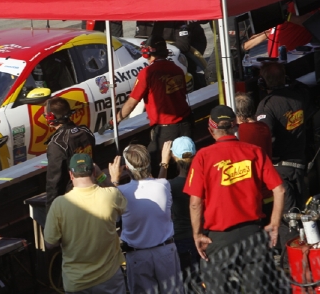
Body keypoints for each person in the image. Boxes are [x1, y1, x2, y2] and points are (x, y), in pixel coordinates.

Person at [183, 105, 286, 294]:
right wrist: (274, 223)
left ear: (211, 130)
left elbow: (195, 203)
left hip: (219, 238)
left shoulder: (203, 157)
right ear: (235, 126)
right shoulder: (254, 151)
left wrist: (197, 234)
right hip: (252, 234)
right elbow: (279, 190)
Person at [101, 35, 193, 176]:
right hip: (186, 125)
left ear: (147, 53)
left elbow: (132, 102)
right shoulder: (177, 69)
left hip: (166, 131)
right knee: (185, 169)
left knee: (156, 167)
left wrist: (115, 121)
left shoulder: (147, 73)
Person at [44, 154, 127, 294]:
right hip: (109, 278)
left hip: (76, 282)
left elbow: (50, 243)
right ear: (94, 172)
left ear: (71, 175)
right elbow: (121, 201)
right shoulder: (110, 195)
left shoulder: (59, 204)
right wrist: (102, 176)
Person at [256, 61, 313, 256]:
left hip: (281, 170)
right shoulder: (299, 97)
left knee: (287, 219)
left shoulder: (267, 105)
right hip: (300, 166)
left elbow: (265, 138)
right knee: (300, 215)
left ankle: (291, 263)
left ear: (263, 82)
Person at [109, 145, 184, 294]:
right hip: (165, 252)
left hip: (138, 256)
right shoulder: (164, 185)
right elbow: (157, 184)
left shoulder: (120, 192)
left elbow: (111, 209)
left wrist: (114, 181)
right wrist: (164, 163)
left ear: (127, 168)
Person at [157, 137, 200, 281]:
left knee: (186, 282)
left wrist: (164, 162)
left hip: (180, 238)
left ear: (174, 157)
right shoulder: (201, 180)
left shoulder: (171, 185)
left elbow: (158, 188)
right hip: (203, 233)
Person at [44, 96, 95, 212]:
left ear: (51, 118)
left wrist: (50, 212)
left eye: (45, 115)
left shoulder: (57, 144)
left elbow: (54, 183)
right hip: (93, 188)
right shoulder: (86, 131)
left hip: (74, 200)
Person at [235, 92, 274, 224]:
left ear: (239, 115)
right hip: (268, 190)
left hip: (252, 196)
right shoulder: (264, 127)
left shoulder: (240, 132)